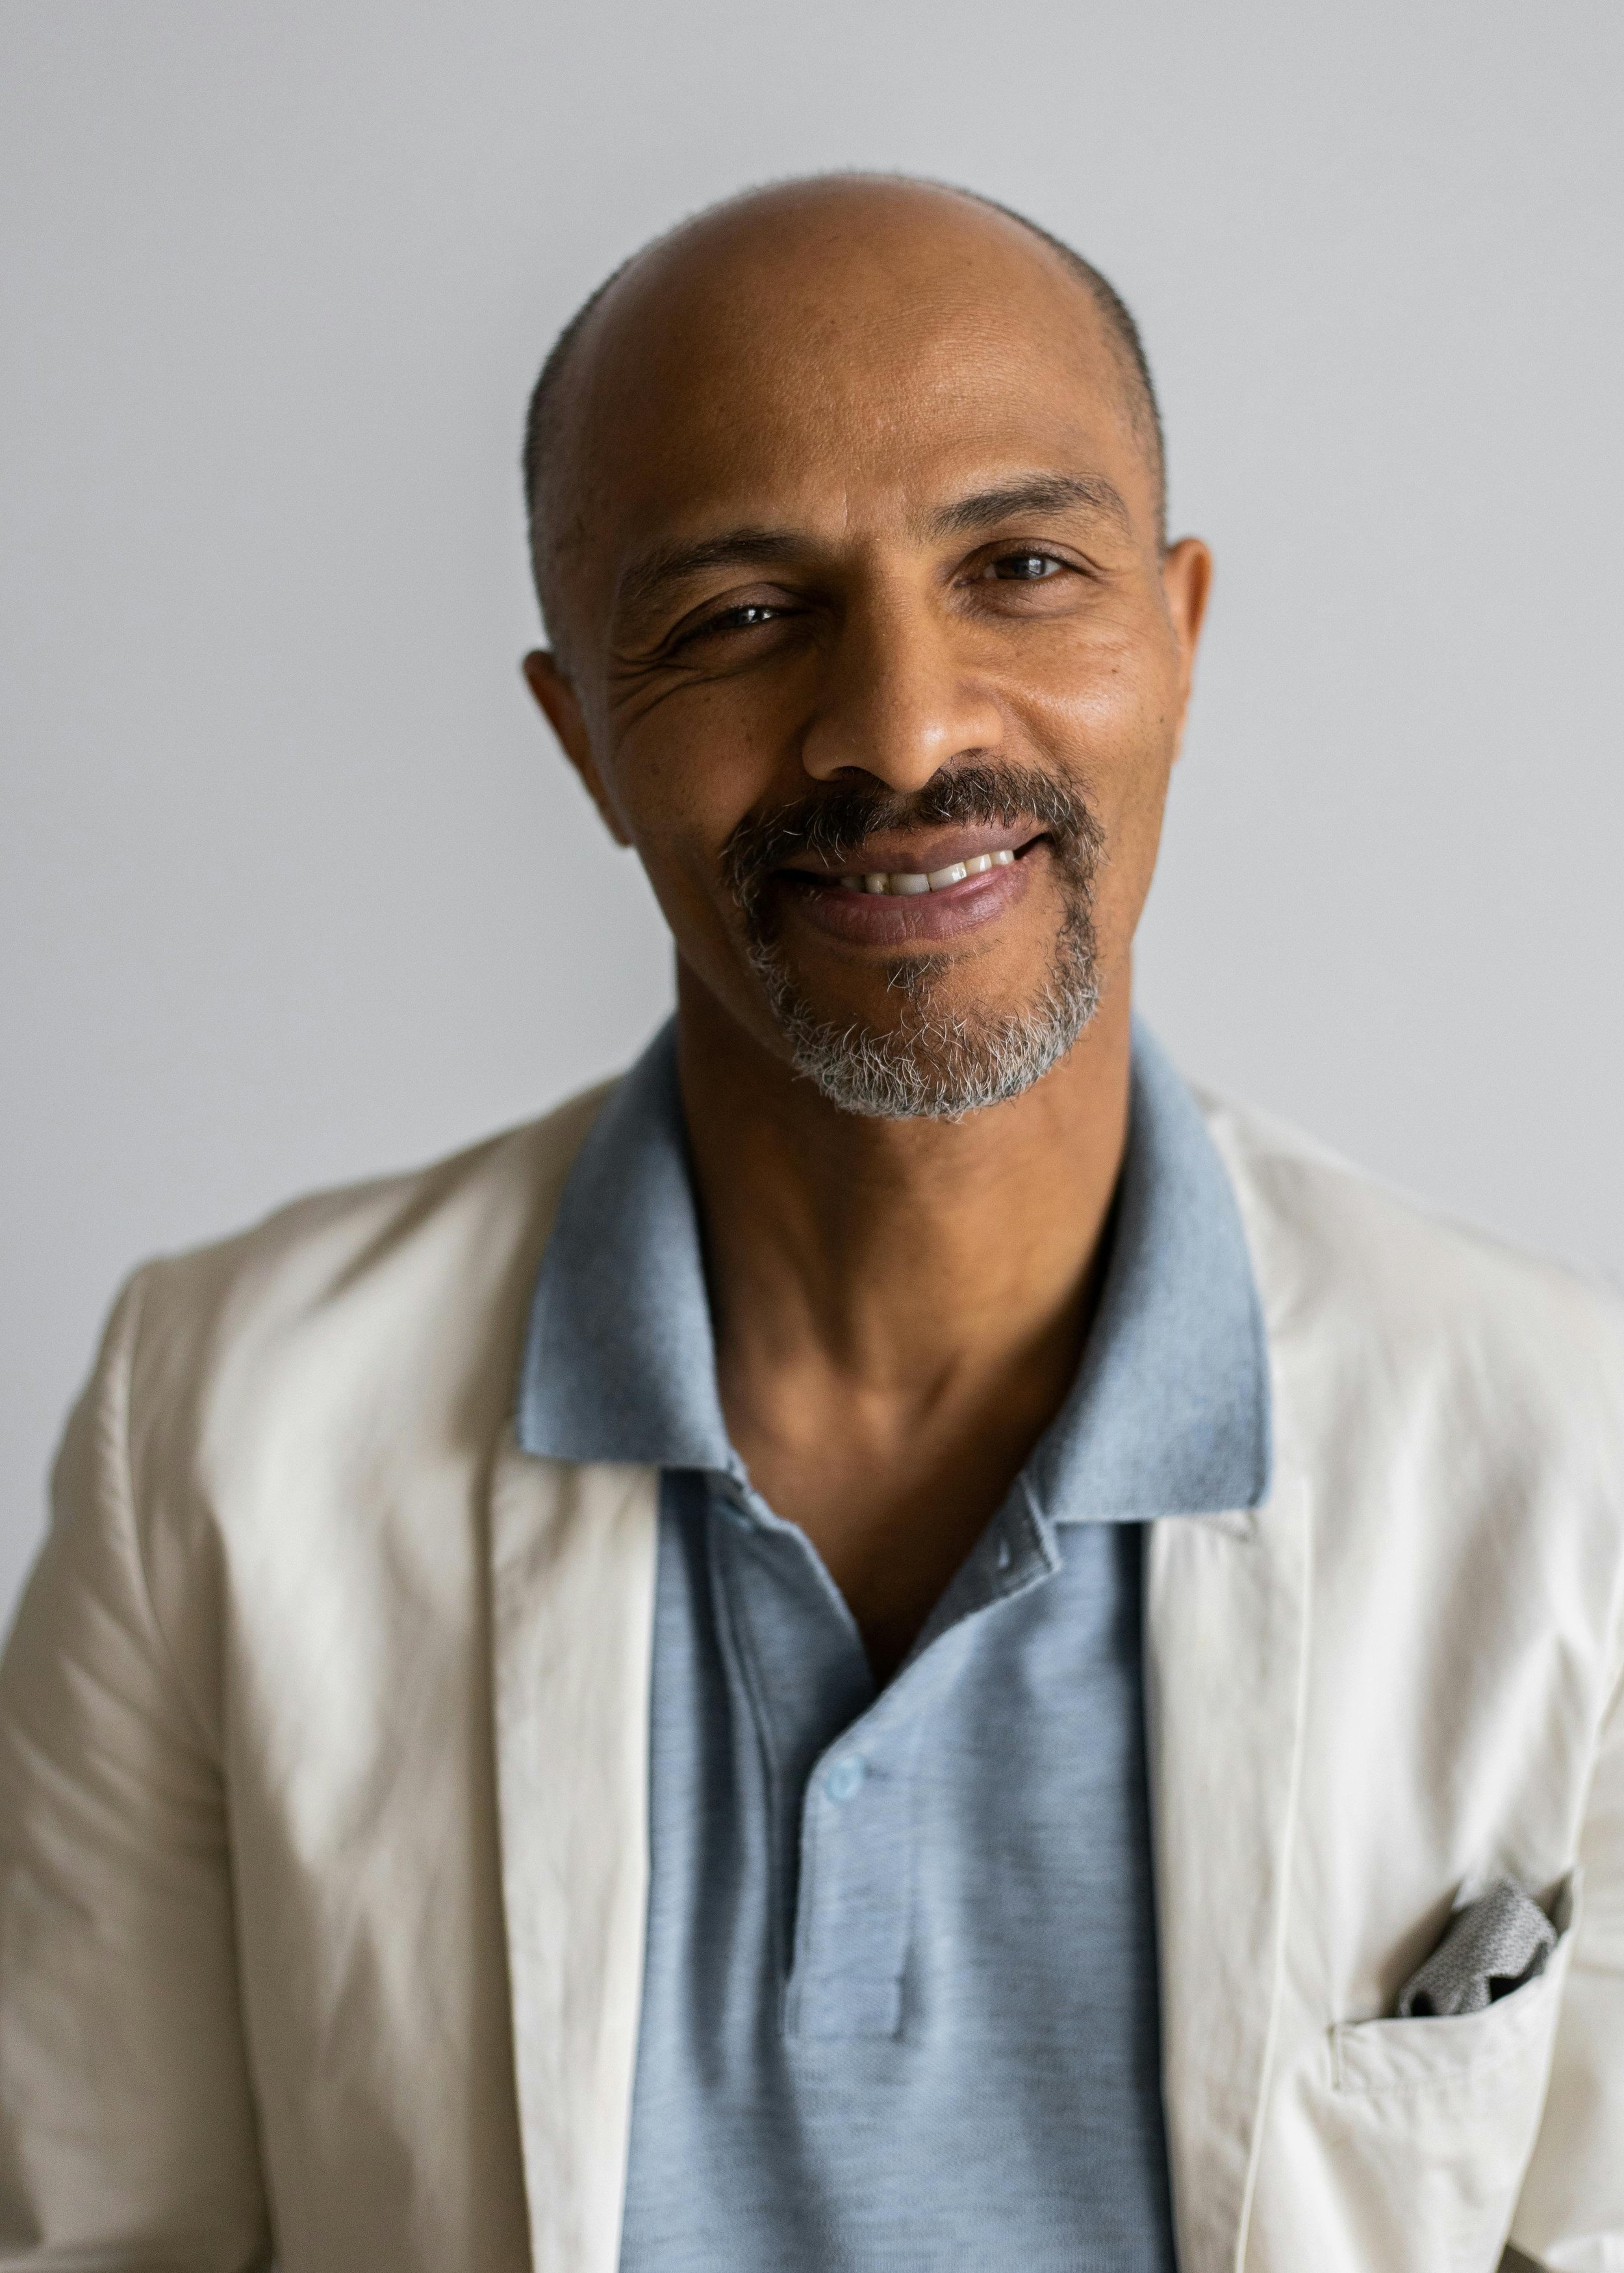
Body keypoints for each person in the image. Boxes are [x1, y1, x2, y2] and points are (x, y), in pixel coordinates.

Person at [1, 175, 1619, 2273]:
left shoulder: (1572, 1455)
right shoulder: (220, 1430)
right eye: (742, 618)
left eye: (1018, 568)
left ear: (1177, 637)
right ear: (583, 738)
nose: (905, 729)